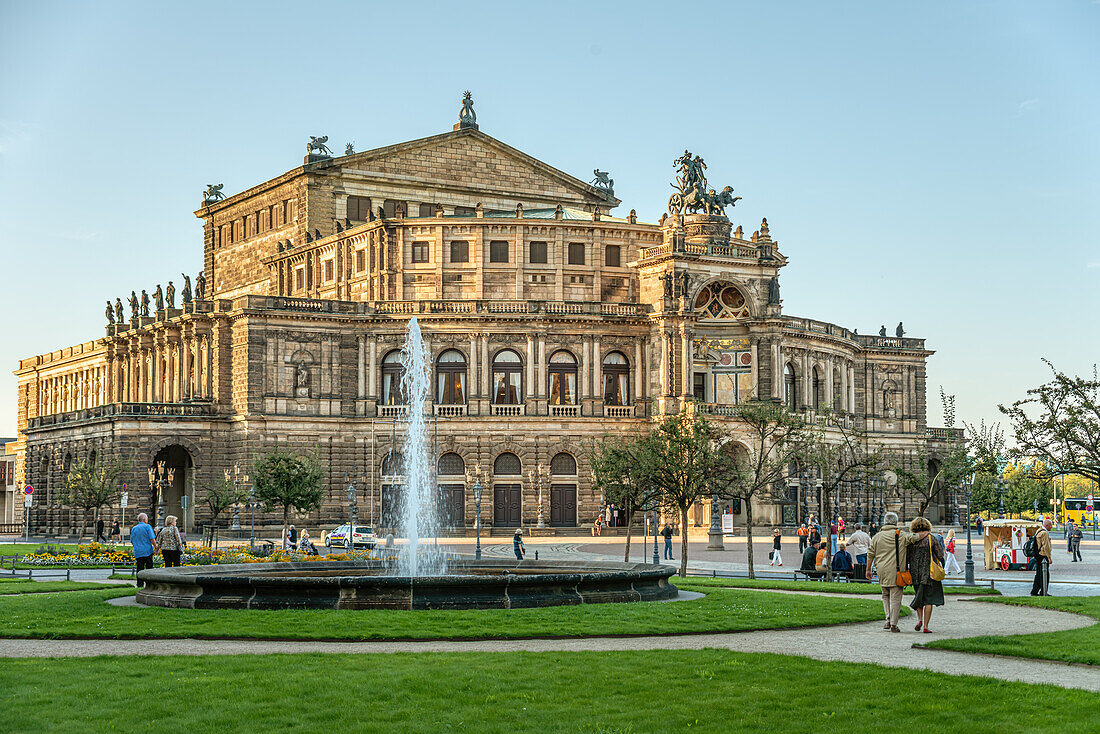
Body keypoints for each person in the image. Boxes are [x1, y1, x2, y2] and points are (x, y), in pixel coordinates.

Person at [866, 511, 925, 632]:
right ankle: (893, 623)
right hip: (897, 572)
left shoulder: (877, 536)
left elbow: (870, 554)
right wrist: (927, 532)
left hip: (881, 570)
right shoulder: (900, 535)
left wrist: (868, 569)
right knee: (896, 598)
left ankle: (887, 619)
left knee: (885, 595)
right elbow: (915, 537)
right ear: (896, 522)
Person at [908, 516, 945, 633]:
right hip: (929, 573)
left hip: (915, 573)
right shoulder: (931, 539)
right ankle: (926, 626)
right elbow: (940, 555)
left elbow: (907, 557)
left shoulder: (912, 540)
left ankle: (919, 620)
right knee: (928, 600)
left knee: (919, 597)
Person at [130, 513, 158, 587]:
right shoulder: (147, 527)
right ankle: (149, 584)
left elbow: (132, 540)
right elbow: (152, 538)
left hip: (138, 552)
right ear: (145, 520)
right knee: (149, 569)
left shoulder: (134, 528)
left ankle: (139, 584)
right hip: (147, 551)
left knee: (139, 569)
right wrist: (156, 547)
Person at [1030, 518, 1053, 596]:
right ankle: (1043, 592)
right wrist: (1049, 557)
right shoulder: (1045, 533)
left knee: (1039, 574)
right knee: (1045, 574)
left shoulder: (1038, 531)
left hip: (1038, 555)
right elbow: (1046, 546)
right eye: (1051, 525)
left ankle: (1034, 591)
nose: (1052, 527)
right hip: (1043, 555)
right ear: (1047, 525)